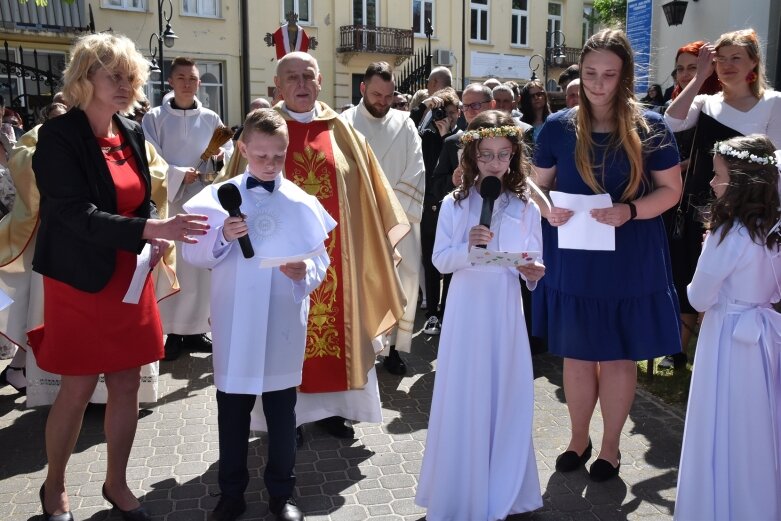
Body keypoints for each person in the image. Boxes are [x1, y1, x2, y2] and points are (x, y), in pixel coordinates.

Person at [28, 33, 209, 521]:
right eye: (115, 76)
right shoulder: (59, 137)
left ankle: (117, 483)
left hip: (127, 275)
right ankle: (55, 487)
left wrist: (152, 230)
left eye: (132, 77)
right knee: (79, 385)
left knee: (128, 382)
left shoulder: (130, 131)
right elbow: (70, 214)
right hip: (80, 280)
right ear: (85, 78)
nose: (127, 85)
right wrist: (150, 228)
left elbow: (143, 196)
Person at [532, 28, 682, 482]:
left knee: (618, 356)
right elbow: (536, 185)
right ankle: (579, 439)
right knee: (577, 356)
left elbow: (671, 191)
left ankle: (612, 448)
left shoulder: (651, 126)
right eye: (591, 73)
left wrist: (630, 210)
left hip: (630, 255)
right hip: (573, 256)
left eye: (609, 75)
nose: (598, 83)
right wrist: (547, 209)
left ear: (624, 76)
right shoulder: (557, 127)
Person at [246, 52, 408, 441]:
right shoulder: (262, 130)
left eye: (308, 76)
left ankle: (334, 409)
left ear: (319, 82)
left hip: (339, 261)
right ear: (278, 85)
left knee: (339, 329)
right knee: (283, 335)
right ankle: (285, 418)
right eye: (292, 77)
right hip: (279, 264)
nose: (301, 84)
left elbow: (370, 195)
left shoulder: (342, 131)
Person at [182, 108, 334, 521]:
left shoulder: (302, 201)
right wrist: (220, 237)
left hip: (283, 320)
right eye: (261, 155)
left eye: (278, 157)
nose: (269, 165)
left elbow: (321, 259)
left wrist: (307, 270)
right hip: (236, 320)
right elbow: (192, 253)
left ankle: (282, 494)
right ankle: (231, 494)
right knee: (231, 412)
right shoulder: (218, 196)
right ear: (244, 148)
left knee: (283, 414)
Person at [415, 110, 545, 520]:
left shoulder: (526, 206)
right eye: (486, 155)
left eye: (502, 155)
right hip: (467, 311)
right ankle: (460, 486)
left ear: (513, 157)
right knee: (467, 393)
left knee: (504, 391)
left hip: (504, 310)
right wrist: (468, 248)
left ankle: (507, 485)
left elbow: (534, 257)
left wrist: (532, 272)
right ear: (471, 155)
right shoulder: (456, 204)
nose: (494, 163)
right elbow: (439, 261)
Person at [674, 134, 781, 520]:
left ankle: (720, 505)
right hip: (765, 334)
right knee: (760, 423)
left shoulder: (727, 234)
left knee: (724, 422)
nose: (712, 184)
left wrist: (707, 252)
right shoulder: (773, 229)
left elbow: (699, 297)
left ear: (738, 182)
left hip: (729, 334)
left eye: (718, 176)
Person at [664, 29, 781, 368]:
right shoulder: (705, 102)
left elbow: (776, 160)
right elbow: (671, 122)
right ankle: (681, 350)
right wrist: (700, 75)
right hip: (704, 201)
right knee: (692, 274)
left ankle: (743, 352)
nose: (727, 66)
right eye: (721, 59)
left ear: (753, 63)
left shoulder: (773, 102)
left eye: (736, 58)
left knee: (744, 283)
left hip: (751, 209)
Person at [142, 56, 234, 360]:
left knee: (200, 265)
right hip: (171, 203)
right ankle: (173, 331)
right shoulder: (154, 118)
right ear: (170, 81)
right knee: (175, 266)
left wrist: (218, 158)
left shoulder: (210, 118)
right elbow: (149, 158)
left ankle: (197, 329)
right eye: (181, 78)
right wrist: (179, 173)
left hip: (202, 199)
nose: (187, 83)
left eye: (192, 79)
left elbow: (228, 153)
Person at [341, 62, 425, 376]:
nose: (383, 101)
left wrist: (391, 214)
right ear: (362, 89)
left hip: (400, 221)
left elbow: (417, 170)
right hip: (360, 222)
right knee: (363, 285)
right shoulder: (344, 123)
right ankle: (363, 346)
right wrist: (368, 212)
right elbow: (341, 174)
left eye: (389, 95)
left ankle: (393, 350)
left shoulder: (405, 123)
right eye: (377, 94)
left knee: (405, 279)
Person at [657, 41, 722, 369]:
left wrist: (678, 167)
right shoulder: (677, 103)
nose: (684, 74)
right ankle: (673, 342)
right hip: (669, 202)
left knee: (691, 271)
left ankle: (679, 348)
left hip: (700, 200)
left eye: (692, 67)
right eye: (679, 68)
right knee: (674, 270)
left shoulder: (713, 108)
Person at [419, 87, 461, 336]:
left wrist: (449, 136)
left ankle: (448, 310)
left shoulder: (461, 137)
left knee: (453, 261)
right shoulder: (427, 136)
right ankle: (433, 313)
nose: (452, 117)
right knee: (432, 261)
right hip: (432, 206)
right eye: (446, 112)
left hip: (455, 204)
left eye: (455, 112)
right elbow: (430, 173)